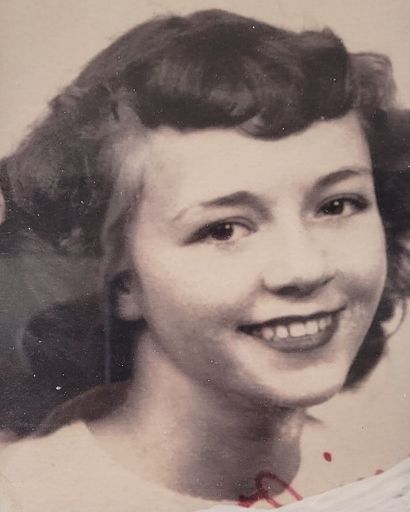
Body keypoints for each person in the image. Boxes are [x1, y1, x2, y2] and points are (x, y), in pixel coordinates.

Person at [1, 9, 410, 511]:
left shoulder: (385, 476)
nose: (305, 268)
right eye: (223, 229)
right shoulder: (25, 498)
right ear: (118, 279)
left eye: (337, 205)